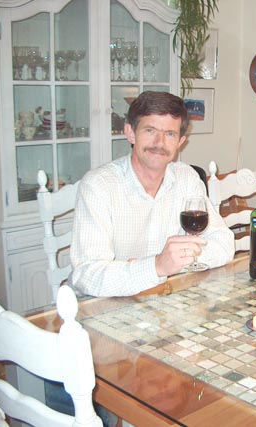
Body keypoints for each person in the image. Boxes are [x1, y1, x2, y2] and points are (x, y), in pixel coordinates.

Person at [70, 91, 235, 297]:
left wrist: (173, 263)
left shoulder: (186, 178)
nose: (160, 143)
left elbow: (224, 243)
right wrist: (157, 266)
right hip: (108, 304)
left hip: (166, 300)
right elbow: (86, 275)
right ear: (130, 133)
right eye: (150, 130)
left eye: (170, 134)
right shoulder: (99, 185)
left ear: (180, 141)